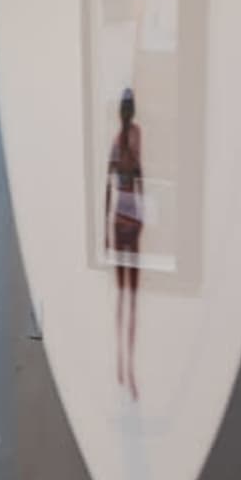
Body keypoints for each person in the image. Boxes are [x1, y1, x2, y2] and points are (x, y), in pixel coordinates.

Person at [104, 86, 146, 398]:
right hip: (123, 220)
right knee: (124, 298)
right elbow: (111, 185)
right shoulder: (121, 142)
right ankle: (122, 365)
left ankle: (127, 366)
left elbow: (139, 178)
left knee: (129, 299)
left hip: (127, 219)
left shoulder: (129, 140)